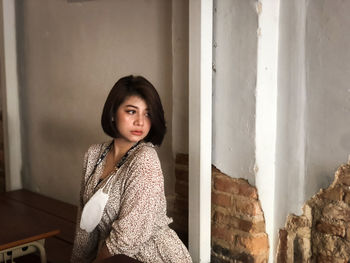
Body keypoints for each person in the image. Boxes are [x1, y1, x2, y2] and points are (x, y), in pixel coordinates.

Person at [71, 75, 192, 263]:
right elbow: (85, 226)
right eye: (131, 111)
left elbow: (125, 240)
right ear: (113, 113)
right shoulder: (94, 154)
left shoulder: (144, 159)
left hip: (150, 257)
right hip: (111, 258)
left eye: (148, 114)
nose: (140, 122)